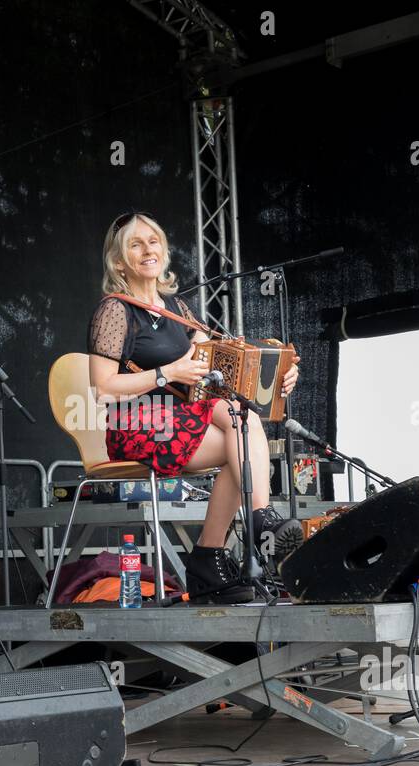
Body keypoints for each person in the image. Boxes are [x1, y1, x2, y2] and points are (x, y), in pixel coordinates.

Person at [86, 212, 301, 602]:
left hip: (183, 420)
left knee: (241, 425)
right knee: (244, 449)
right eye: (135, 244)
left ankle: (216, 553)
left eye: (153, 241)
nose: (147, 249)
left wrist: (281, 373)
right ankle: (235, 538)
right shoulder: (115, 311)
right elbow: (103, 390)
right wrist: (167, 373)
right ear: (119, 261)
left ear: (164, 250)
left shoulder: (177, 308)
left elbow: (220, 366)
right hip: (137, 424)